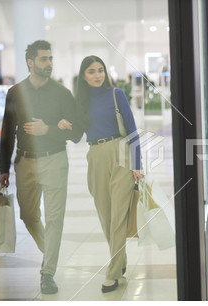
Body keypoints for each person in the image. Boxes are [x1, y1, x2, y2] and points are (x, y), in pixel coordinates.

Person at [0, 40, 82, 294]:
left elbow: (77, 132)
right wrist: (3, 167)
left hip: (55, 160)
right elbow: (7, 132)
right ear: (30, 62)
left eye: (50, 59)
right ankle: (51, 250)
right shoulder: (15, 92)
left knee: (55, 218)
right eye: (44, 59)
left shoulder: (62, 94)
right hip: (24, 163)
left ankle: (48, 272)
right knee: (28, 215)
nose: (49, 64)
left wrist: (51, 129)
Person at [63, 55, 143, 293]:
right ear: (83, 76)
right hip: (95, 156)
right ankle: (121, 261)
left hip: (121, 154)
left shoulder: (116, 95)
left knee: (119, 215)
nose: (97, 75)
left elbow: (132, 131)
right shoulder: (81, 103)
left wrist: (137, 164)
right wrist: (66, 127)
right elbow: (78, 137)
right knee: (106, 217)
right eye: (91, 71)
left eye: (100, 70)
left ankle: (112, 272)